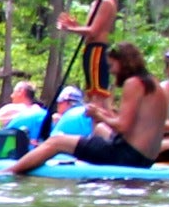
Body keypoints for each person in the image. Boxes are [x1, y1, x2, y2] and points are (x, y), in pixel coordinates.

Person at [11, 41, 159, 174]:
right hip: (145, 158)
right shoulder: (153, 83)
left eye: (112, 65)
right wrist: (102, 116)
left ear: (124, 63)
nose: (112, 71)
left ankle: (8, 173)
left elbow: (123, 127)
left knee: (57, 141)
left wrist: (99, 115)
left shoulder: (133, 83)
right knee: (100, 129)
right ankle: (88, 159)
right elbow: (136, 125)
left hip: (128, 157)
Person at [57, 0, 121, 96]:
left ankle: (101, 116)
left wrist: (68, 28)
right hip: (91, 50)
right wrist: (75, 26)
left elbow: (93, 32)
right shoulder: (96, 3)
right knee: (92, 93)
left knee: (97, 94)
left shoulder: (105, 2)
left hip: (97, 50)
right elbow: (89, 29)